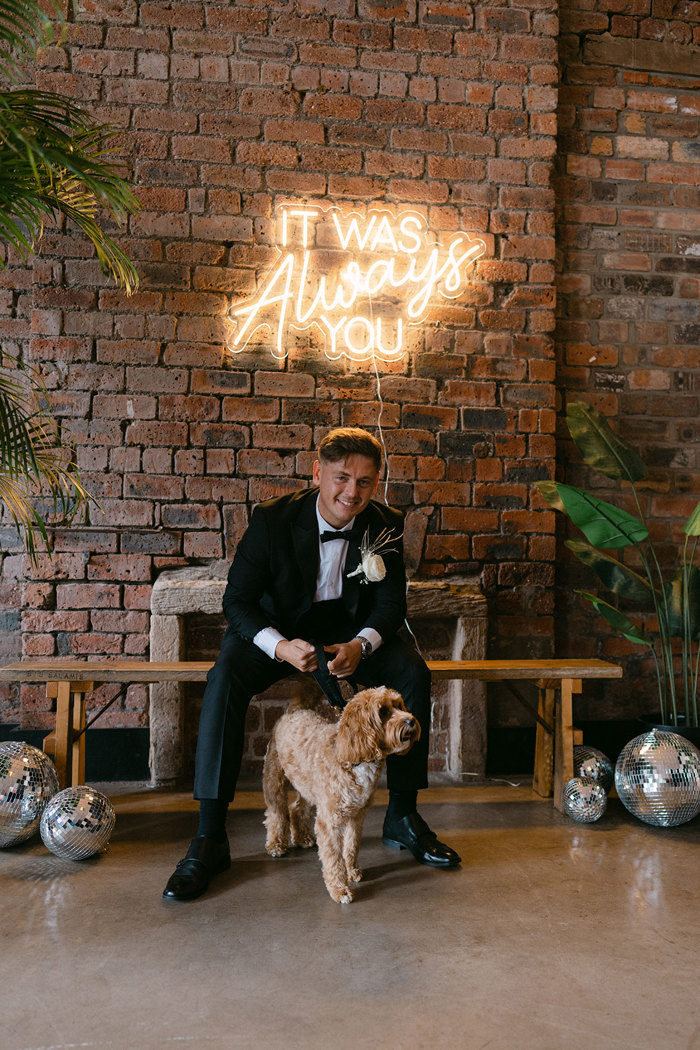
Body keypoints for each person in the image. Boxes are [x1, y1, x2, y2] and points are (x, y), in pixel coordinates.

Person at [163, 426, 461, 901]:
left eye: (365, 482)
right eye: (342, 478)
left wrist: (361, 645)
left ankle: (403, 816)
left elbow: (390, 606)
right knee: (224, 678)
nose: (353, 492)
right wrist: (279, 646)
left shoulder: (386, 524)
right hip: (280, 636)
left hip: (350, 640)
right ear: (318, 472)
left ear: (376, 482)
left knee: (413, 673)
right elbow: (237, 600)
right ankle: (210, 835)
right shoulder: (272, 520)